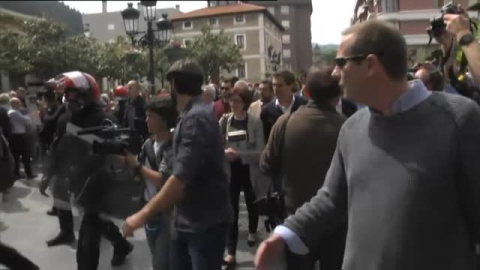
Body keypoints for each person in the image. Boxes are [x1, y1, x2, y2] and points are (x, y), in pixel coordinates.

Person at [256, 19, 480, 270]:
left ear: (371, 64)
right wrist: (284, 234)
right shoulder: (352, 128)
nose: (334, 72)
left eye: (341, 63)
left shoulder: (459, 120)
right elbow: (330, 199)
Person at [123, 59, 233, 270]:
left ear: (174, 85)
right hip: (187, 220)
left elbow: (180, 178)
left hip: (203, 224)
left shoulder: (195, 119)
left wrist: (141, 216)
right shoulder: (191, 115)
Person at [260, 66, 347, 270]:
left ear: (305, 92)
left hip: (295, 220)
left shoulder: (285, 123)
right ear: (338, 95)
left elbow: (266, 165)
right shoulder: (348, 127)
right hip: (336, 224)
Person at [44, 71, 133, 269]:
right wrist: (48, 175)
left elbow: (124, 147)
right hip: (78, 183)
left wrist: (108, 147)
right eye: (67, 95)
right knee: (97, 222)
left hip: (101, 185)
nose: (69, 99)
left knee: (87, 239)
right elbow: (59, 149)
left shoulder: (104, 119)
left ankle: (115, 248)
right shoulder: (66, 120)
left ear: (87, 94)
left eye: (74, 94)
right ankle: (121, 244)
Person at [123, 96, 178, 270]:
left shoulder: (173, 144)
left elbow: (165, 180)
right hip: (150, 207)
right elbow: (140, 176)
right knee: (156, 256)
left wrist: (136, 165)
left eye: (151, 116)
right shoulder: (148, 144)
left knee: (162, 262)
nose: (147, 120)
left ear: (163, 119)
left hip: (168, 211)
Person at [219, 80, 264, 266]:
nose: (233, 104)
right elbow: (216, 145)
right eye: (231, 100)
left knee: (252, 203)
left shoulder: (254, 122)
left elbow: (261, 151)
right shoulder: (224, 121)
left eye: (237, 100)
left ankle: (253, 229)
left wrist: (240, 154)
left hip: (248, 169)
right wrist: (225, 153)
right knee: (232, 210)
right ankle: (231, 251)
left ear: (245, 102)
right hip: (230, 171)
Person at [260, 70, 308, 142]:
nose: (276, 89)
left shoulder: (304, 105)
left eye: (279, 85)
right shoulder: (266, 111)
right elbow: (266, 139)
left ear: (291, 85)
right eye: (274, 85)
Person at [8, 97, 34, 179]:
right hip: (18, 136)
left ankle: (17, 173)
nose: (20, 105)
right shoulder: (13, 112)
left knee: (17, 155)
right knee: (24, 155)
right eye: (18, 103)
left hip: (18, 136)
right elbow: (26, 121)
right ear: (14, 104)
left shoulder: (15, 112)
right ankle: (27, 173)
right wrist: (30, 116)